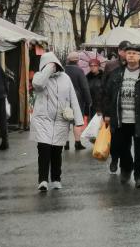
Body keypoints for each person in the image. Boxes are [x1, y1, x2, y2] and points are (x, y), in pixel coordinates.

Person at [103, 45, 140, 188]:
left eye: (134, 53)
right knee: (120, 147)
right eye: (129, 53)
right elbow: (108, 94)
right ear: (124, 55)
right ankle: (127, 167)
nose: (131, 55)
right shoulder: (117, 73)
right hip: (120, 118)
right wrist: (107, 113)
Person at [30, 53, 84, 192]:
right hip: (43, 120)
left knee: (56, 151)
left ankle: (55, 179)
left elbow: (73, 98)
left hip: (61, 120)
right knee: (44, 150)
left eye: (54, 64)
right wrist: (47, 69)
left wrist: (78, 120)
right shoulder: (40, 76)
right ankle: (42, 180)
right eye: (50, 64)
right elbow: (37, 85)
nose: (53, 67)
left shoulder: (65, 78)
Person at [102, 40, 130, 174]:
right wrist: (105, 112)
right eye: (125, 50)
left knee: (127, 140)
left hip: (128, 109)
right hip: (113, 108)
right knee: (114, 138)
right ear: (119, 51)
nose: (127, 53)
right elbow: (105, 89)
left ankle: (125, 164)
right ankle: (114, 159)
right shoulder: (111, 66)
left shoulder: (134, 65)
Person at [63, 52, 91, 151]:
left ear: (68, 60)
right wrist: (88, 100)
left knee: (65, 120)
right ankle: (77, 143)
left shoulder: (63, 70)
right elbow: (84, 87)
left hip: (64, 98)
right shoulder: (79, 71)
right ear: (77, 60)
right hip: (77, 99)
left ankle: (65, 143)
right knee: (77, 121)